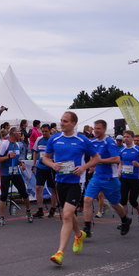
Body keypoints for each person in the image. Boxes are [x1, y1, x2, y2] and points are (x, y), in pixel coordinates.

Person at [42, 111, 100, 266]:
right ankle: (79, 234)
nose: (62, 123)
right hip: (60, 181)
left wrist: (84, 167)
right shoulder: (55, 139)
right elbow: (45, 158)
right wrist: (52, 164)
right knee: (69, 214)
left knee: (67, 215)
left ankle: (59, 252)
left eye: (66, 121)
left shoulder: (82, 140)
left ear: (74, 123)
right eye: (61, 120)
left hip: (76, 182)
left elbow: (96, 158)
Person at [81, 120, 132, 238]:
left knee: (115, 204)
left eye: (98, 128)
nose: (96, 130)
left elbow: (117, 159)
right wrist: (91, 166)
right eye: (95, 128)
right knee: (87, 199)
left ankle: (125, 220)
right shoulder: (93, 141)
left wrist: (100, 161)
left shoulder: (109, 142)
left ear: (104, 129)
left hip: (110, 178)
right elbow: (93, 157)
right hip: (97, 177)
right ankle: (87, 227)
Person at [0, 126, 32, 226]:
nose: (20, 134)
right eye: (19, 132)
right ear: (13, 133)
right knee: (4, 195)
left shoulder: (18, 144)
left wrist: (21, 163)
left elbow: (16, 158)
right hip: (5, 173)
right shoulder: (5, 144)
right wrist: (8, 156)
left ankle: (28, 212)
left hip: (16, 172)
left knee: (24, 193)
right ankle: (2, 218)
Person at [119, 131, 139, 224]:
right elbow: (121, 162)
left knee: (132, 201)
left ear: (132, 138)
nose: (125, 138)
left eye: (128, 137)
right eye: (124, 137)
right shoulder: (122, 150)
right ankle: (124, 221)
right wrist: (119, 171)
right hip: (124, 177)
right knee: (123, 200)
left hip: (136, 178)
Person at [31, 124, 58, 219]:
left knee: (53, 189)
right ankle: (40, 210)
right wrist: (34, 164)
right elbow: (35, 151)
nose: (44, 133)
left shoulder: (54, 140)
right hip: (41, 167)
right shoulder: (39, 139)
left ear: (50, 131)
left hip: (51, 167)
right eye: (42, 131)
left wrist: (55, 162)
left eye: (46, 131)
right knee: (38, 187)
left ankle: (53, 208)